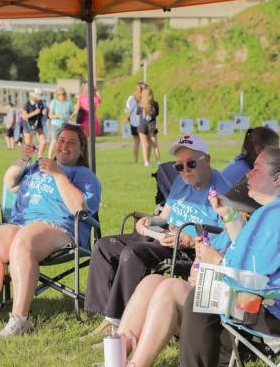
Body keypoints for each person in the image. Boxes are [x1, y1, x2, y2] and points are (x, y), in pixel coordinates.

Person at [109, 146, 280, 367]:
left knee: (170, 290)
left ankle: (133, 365)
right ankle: (116, 358)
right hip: (242, 300)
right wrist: (228, 214)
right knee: (152, 281)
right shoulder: (266, 212)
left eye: (256, 169)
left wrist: (214, 263)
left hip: (255, 313)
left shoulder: (273, 217)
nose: (247, 172)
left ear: (277, 178)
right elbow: (243, 250)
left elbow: (251, 275)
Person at [82, 134, 231, 347]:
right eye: (179, 166)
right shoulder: (181, 182)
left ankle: (125, 325)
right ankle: (110, 318)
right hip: (166, 236)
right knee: (105, 246)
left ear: (207, 159)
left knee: (133, 253)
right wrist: (148, 220)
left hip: (190, 249)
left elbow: (229, 235)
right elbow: (164, 217)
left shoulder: (224, 191)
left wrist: (191, 241)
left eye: (191, 163)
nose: (185, 170)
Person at [0, 125, 101, 337]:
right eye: (61, 140)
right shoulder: (35, 168)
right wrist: (23, 159)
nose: (64, 146)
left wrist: (58, 174)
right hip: (22, 223)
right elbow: (10, 182)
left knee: (24, 239)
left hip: (60, 227)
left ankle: (20, 320)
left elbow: (80, 207)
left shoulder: (84, 174)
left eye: (71, 142)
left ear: (81, 150)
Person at [48, 87, 74, 159]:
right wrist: (58, 116)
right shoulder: (54, 102)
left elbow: (72, 113)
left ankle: (61, 158)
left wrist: (70, 117)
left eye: (63, 94)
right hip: (55, 124)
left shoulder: (69, 102)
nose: (61, 96)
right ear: (57, 95)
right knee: (53, 141)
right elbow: (50, 115)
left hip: (65, 126)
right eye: (59, 94)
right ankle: (49, 159)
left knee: (63, 143)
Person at [137, 86, 160, 167]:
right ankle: (158, 162)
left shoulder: (140, 104)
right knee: (155, 145)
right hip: (152, 126)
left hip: (142, 126)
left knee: (145, 145)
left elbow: (138, 116)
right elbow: (156, 115)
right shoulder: (155, 104)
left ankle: (146, 162)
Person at [125, 82, 145, 163]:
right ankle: (146, 160)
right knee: (144, 143)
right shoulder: (144, 98)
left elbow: (127, 110)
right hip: (142, 123)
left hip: (133, 123)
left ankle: (136, 160)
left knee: (136, 142)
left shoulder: (131, 99)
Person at [22, 88, 47, 156]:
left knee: (43, 142)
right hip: (28, 125)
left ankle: (39, 160)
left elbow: (40, 116)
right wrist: (34, 113)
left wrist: (43, 114)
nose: (39, 99)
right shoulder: (28, 103)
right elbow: (24, 116)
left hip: (38, 125)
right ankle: (28, 164)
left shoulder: (40, 103)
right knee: (29, 145)